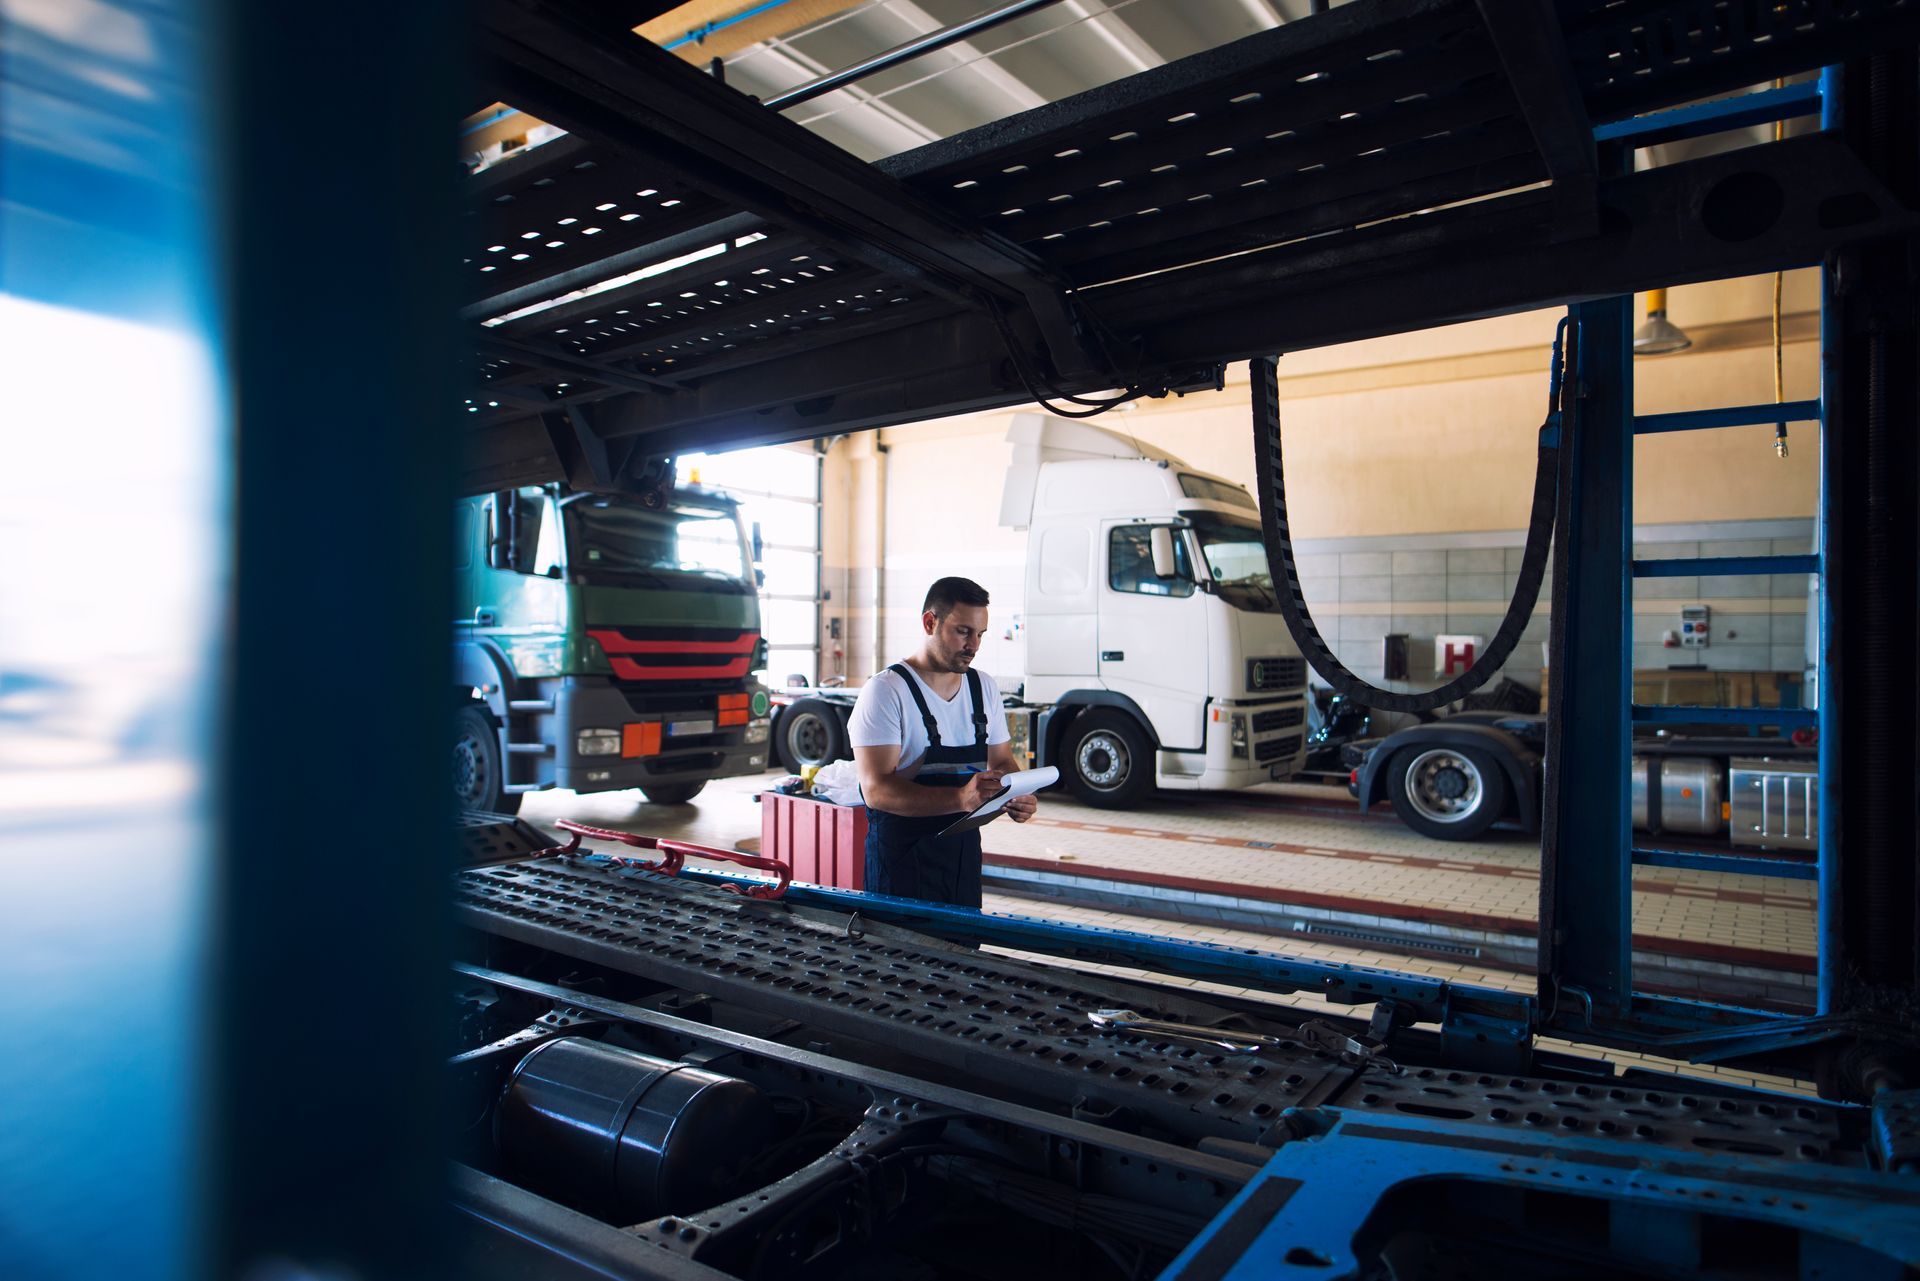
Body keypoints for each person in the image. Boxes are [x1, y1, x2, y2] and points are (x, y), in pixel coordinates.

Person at [849, 576, 1037, 907]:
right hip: (900, 869)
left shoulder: (984, 688)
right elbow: (876, 790)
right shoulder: (887, 691)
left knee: (962, 956)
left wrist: (1015, 790)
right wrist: (961, 798)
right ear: (929, 622)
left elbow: (1003, 759)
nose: (973, 645)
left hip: (961, 864)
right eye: (963, 631)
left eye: (980, 634)